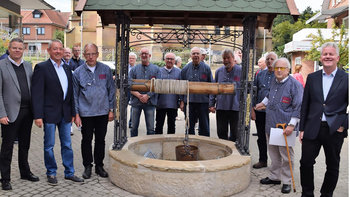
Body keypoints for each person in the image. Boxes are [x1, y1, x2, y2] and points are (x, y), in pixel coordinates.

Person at [31, 39, 83, 185]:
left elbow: (71, 93)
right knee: (49, 145)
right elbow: (37, 94)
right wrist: (38, 116)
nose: (58, 51)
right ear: (49, 51)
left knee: (67, 144)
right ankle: (51, 172)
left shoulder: (67, 68)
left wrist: (73, 112)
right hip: (49, 114)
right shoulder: (41, 68)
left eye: (60, 49)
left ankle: (69, 172)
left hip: (66, 114)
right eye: (55, 49)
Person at [299, 42, 348, 197]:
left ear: (337, 58)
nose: (328, 57)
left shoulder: (346, 78)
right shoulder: (312, 78)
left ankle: (326, 194)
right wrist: (301, 128)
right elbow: (305, 103)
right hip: (312, 127)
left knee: (332, 166)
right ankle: (307, 193)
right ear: (320, 58)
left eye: (331, 54)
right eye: (325, 54)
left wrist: (343, 125)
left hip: (334, 129)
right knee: (305, 163)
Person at [256, 58, 303, 194]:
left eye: (282, 68)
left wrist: (291, 125)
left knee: (287, 155)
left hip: (285, 126)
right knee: (274, 153)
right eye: (277, 68)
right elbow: (270, 95)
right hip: (271, 123)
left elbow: (298, 106)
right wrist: (262, 103)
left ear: (288, 70)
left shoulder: (295, 85)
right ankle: (275, 177)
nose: (279, 70)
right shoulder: (273, 81)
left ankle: (287, 180)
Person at [0, 38, 39, 190]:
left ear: (23, 50)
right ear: (9, 49)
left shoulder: (28, 66)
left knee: (25, 145)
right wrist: (1, 114)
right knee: (7, 147)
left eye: (20, 48)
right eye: (14, 48)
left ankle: (25, 172)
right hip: (9, 114)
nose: (17, 50)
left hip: (27, 112)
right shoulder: (2, 65)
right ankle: (5, 178)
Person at [73, 43, 115, 179]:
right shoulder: (78, 72)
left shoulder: (106, 70)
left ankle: (99, 165)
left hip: (102, 112)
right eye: (88, 54)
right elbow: (74, 94)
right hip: (86, 113)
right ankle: (87, 166)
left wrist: (111, 110)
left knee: (100, 140)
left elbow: (111, 90)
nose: (90, 57)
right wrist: (76, 114)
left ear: (97, 54)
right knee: (86, 140)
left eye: (93, 54)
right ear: (84, 55)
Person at [251, 52, 278, 169]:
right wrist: (252, 108)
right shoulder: (260, 74)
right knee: (261, 137)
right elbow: (253, 92)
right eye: (268, 59)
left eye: (272, 59)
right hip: (260, 112)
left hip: (273, 113)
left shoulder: (279, 75)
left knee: (273, 138)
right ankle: (263, 160)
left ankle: (275, 163)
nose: (269, 61)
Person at [180, 47, 213, 137]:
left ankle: (204, 146)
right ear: (191, 56)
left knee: (204, 127)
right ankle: (189, 146)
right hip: (189, 103)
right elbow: (181, 86)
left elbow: (211, 85)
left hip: (203, 103)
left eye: (197, 53)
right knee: (189, 127)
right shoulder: (185, 69)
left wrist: (211, 103)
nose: (195, 55)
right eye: (193, 53)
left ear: (201, 55)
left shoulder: (206, 68)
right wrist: (182, 101)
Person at [209, 48, 241, 141]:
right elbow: (214, 89)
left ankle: (233, 151)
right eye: (224, 58)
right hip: (221, 107)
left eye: (228, 58)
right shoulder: (219, 71)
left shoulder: (241, 71)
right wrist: (211, 104)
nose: (226, 60)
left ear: (233, 58)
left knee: (235, 133)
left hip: (236, 108)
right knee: (221, 132)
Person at [129, 47, 160, 137]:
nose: (144, 55)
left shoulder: (156, 69)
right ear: (140, 56)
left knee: (150, 129)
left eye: (146, 53)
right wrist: (139, 95)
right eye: (142, 53)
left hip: (150, 102)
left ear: (149, 55)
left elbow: (158, 85)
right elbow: (128, 84)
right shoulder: (134, 69)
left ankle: (150, 147)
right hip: (136, 102)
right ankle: (133, 147)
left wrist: (148, 95)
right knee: (134, 127)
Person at [155, 52, 181, 134]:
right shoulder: (158, 71)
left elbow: (182, 88)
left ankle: (171, 145)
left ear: (174, 61)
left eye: (171, 59)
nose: (169, 60)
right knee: (159, 125)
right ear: (164, 60)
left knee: (172, 126)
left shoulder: (179, 72)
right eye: (168, 59)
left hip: (173, 104)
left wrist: (181, 102)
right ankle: (158, 145)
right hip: (160, 104)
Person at [128, 52, 137, 128]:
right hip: (125, 90)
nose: (131, 60)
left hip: (134, 90)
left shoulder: (137, 68)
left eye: (133, 58)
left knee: (133, 106)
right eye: (130, 58)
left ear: (135, 60)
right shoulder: (124, 68)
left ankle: (131, 122)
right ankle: (121, 123)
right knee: (123, 106)